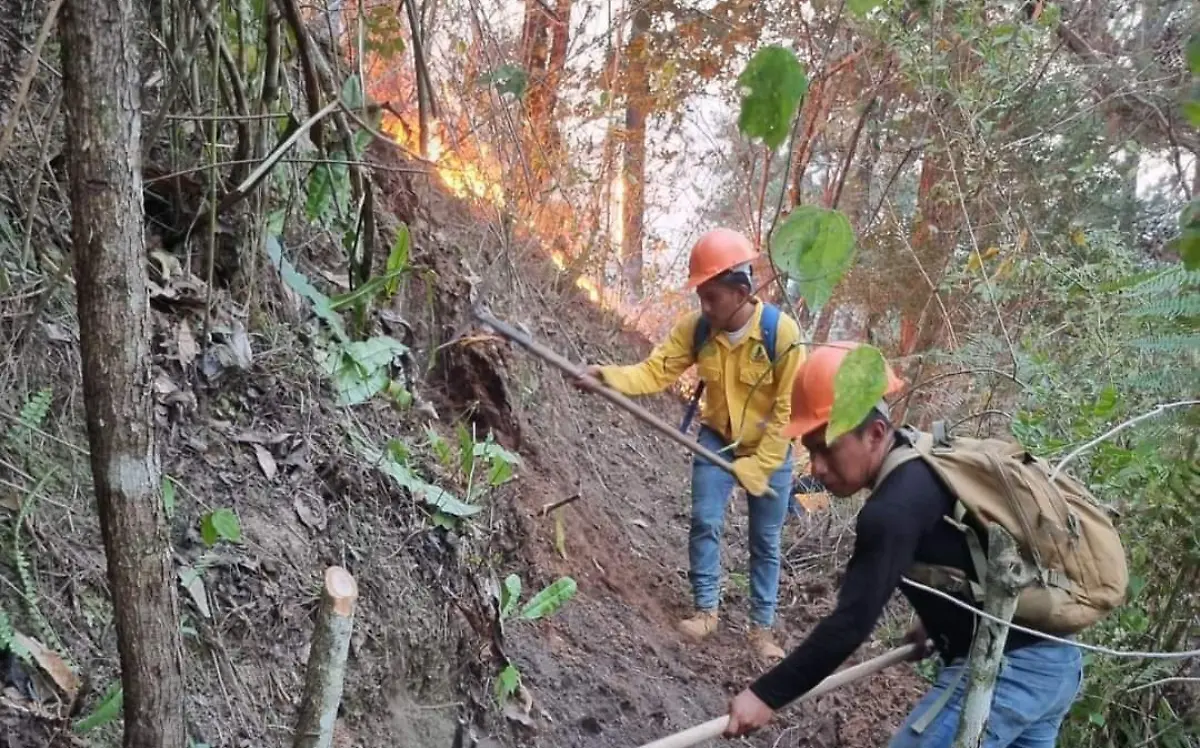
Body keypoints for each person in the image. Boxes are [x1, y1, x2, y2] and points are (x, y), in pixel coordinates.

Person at [723, 341, 1085, 747]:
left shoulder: (891, 509)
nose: (818, 467)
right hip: (1057, 664)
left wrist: (766, 695)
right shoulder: (925, 461)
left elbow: (850, 625)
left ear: (875, 433)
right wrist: (940, 620)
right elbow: (964, 550)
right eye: (810, 450)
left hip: (1008, 669)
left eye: (827, 448)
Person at [577, 227, 804, 661]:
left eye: (712, 297)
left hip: (771, 449)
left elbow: (788, 413)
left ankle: (761, 630)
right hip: (717, 439)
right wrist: (608, 377)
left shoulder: (782, 335)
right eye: (701, 296)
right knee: (704, 520)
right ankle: (706, 611)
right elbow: (654, 371)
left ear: (741, 292)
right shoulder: (697, 330)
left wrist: (760, 465)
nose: (705, 306)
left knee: (765, 541)